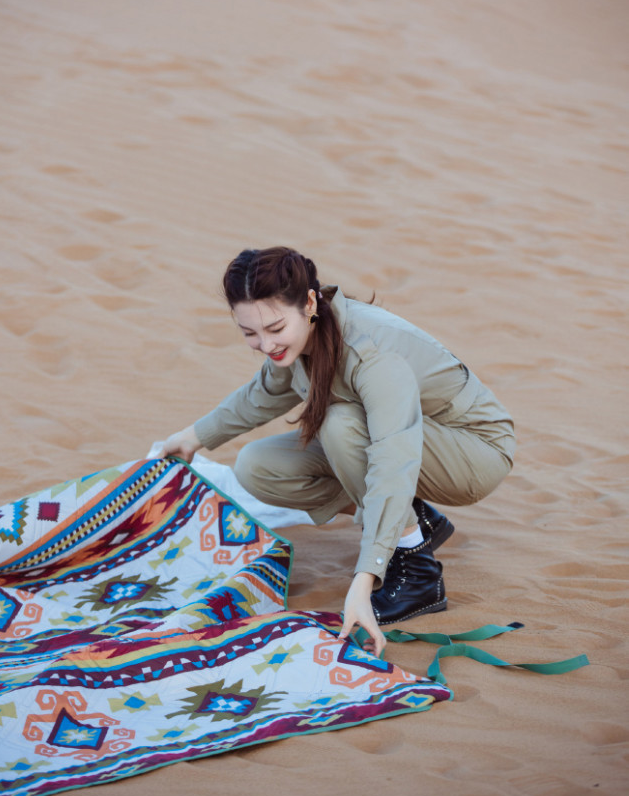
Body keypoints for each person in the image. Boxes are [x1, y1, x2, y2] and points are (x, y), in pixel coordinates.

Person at [158, 247, 515, 656]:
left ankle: (417, 572)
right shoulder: (306, 334)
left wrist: (364, 581)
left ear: (309, 302)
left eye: (275, 328)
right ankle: (413, 522)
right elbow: (264, 393)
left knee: (341, 425)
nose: (265, 344)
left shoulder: (370, 352)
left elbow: (393, 458)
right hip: (412, 445)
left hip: (473, 452)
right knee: (257, 466)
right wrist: (192, 437)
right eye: (250, 333)